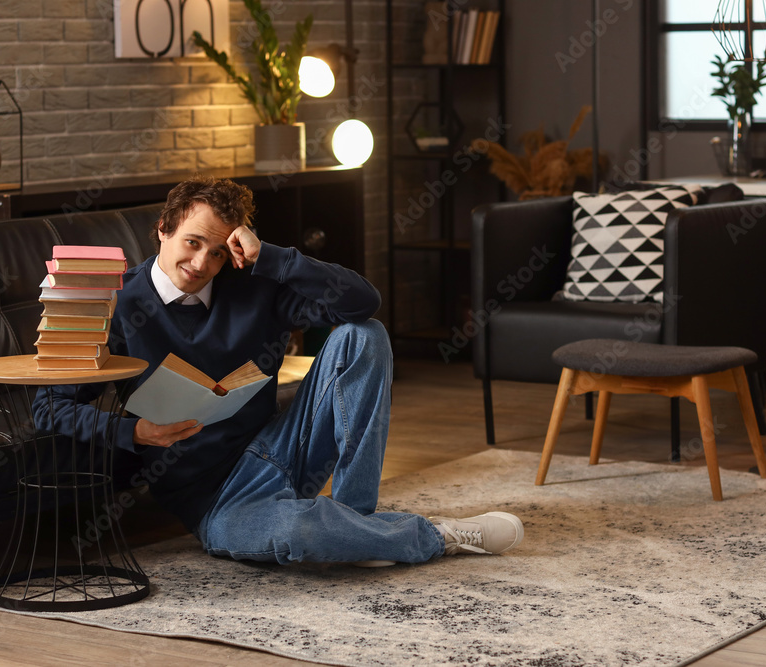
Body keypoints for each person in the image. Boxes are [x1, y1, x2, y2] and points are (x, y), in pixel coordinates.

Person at [33, 176, 523, 566]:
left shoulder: (253, 282)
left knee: (364, 334)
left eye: (219, 251)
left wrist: (275, 259)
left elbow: (363, 302)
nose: (202, 262)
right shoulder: (111, 301)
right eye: (192, 242)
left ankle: (358, 520)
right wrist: (134, 432)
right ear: (162, 228)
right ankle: (430, 537)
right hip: (214, 500)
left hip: (281, 447)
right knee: (296, 533)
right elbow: (48, 407)